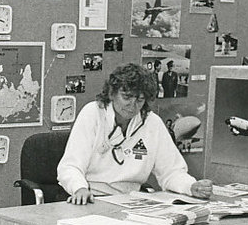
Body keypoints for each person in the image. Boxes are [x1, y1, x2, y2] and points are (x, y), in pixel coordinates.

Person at [57, 62, 213, 204]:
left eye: (139, 100)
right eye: (126, 97)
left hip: (132, 201)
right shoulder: (93, 113)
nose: (132, 106)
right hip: (92, 197)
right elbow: (70, 166)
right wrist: (79, 188)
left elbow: (171, 172)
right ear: (112, 94)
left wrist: (190, 186)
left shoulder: (152, 123)